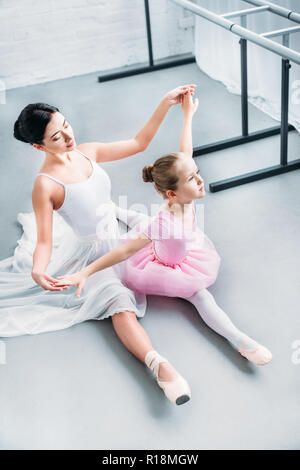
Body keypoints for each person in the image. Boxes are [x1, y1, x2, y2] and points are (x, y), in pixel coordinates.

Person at [54, 91, 273, 405]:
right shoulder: (164, 221)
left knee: (138, 218)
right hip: (162, 267)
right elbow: (124, 252)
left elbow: (186, 152)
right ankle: (240, 340)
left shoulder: (180, 193)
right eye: (192, 179)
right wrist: (86, 272)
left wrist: (186, 116)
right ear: (172, 193)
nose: (200, 181)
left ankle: (114, 208)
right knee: (200, 295)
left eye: (197, 174)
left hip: (184, 247)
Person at [0, 85, 196, 407]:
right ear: (38, 146)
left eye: (66, 126)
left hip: (116, 232)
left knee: (171, 255)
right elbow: (46, 240)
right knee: (118, 302)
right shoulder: (45, 185)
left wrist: (165, 103)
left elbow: (139, 143)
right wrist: (38, 269)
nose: (68, 137)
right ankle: (160, 367)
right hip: (90, 252)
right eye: (56, 137)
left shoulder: (86, 151)